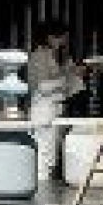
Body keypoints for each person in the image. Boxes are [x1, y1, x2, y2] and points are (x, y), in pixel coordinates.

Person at [27, 20, 85, 181]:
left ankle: (44, 188)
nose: (64, 42)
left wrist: (73, 74)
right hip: (43, 110)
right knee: (43, 156)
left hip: (55, 110)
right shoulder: (38, 56)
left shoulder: (55, 57)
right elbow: (42, 86)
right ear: (50, 37)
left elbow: (63, 86)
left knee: (51, 157)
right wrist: (68, 76)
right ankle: (40, 191)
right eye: (61, 37)